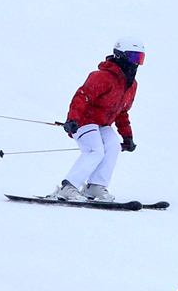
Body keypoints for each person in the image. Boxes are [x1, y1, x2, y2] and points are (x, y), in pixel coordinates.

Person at [47, 37, 145, 202]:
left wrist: (127, 136)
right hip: (83, 121)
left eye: (140, 59)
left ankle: (95, 186)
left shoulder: (131, 85)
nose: (136, 63)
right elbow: (82, 97)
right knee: (95, 150)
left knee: (113, 146)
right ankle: (68, 187)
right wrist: (72, 119)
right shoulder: (102, 77)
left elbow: (122, 112)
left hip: (102, 124)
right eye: (133, 57)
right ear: (121, 56)